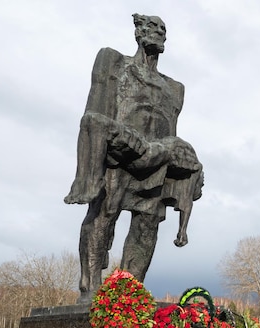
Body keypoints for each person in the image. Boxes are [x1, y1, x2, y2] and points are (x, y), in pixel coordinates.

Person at [64, 14, 203, 303]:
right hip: (119, 153)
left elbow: (170, 128)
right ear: (137, 32)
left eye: (163, 29)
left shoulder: (175, 88)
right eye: (151, 27)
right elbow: (96, 112)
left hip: (157, 162)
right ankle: (90, 288)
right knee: (104, 213)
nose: (158, 32)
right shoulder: (113, 62)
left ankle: (129, 294)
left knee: (147, 225)